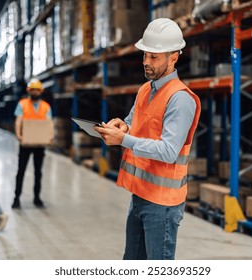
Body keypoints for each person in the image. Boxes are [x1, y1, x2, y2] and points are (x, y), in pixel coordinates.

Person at [94, 18, 201, 260]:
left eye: (154, 57)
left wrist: (123, 140)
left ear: (173, 57)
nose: (146, 62)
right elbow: (134, 124)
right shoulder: (146, 89)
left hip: (163, 204)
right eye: (145, 55)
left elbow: (168, 151)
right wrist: (122, 126)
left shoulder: (180, 99)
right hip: (140, 195)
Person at [12, 79, 53, 209]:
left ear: (40, 91)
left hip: (39, 145)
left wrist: (50, 137)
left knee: (38, 172)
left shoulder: (46, 106)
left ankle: (37, 198)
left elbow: (49, 123)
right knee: (21, 171)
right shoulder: (22, 104)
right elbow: (18, 121)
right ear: (29, 91)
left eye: (37, 89)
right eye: (32, 89)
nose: (34, 91)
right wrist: (18, 134)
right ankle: (16, 198)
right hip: (26, 143)